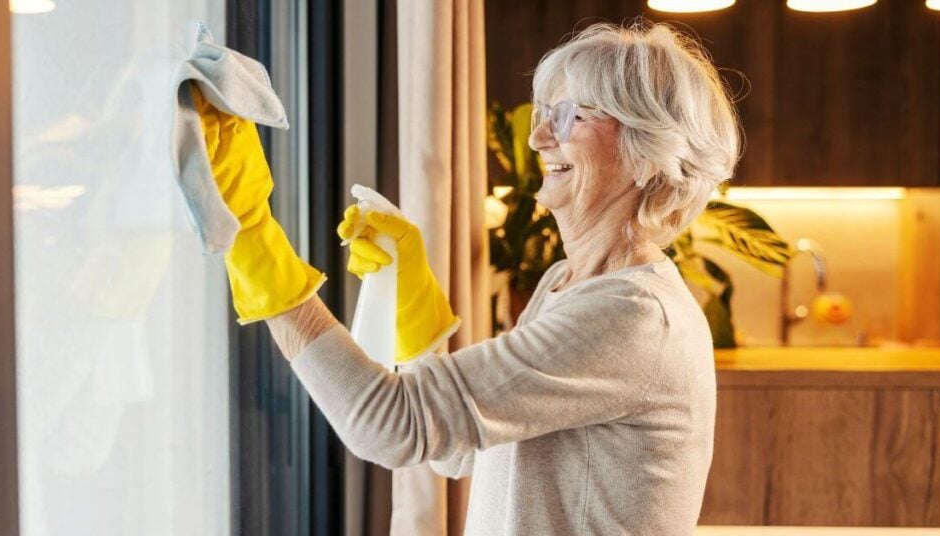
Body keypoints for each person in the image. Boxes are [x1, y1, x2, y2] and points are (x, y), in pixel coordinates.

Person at [193, 19, 740, 536]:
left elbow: (391, 427)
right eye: (545, 113)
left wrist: (253, 236)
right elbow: (462, 448)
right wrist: (413, 305)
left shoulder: (633, 317)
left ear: (649, 154)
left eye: (572, 116)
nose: (540, 138)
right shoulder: (566, 283)